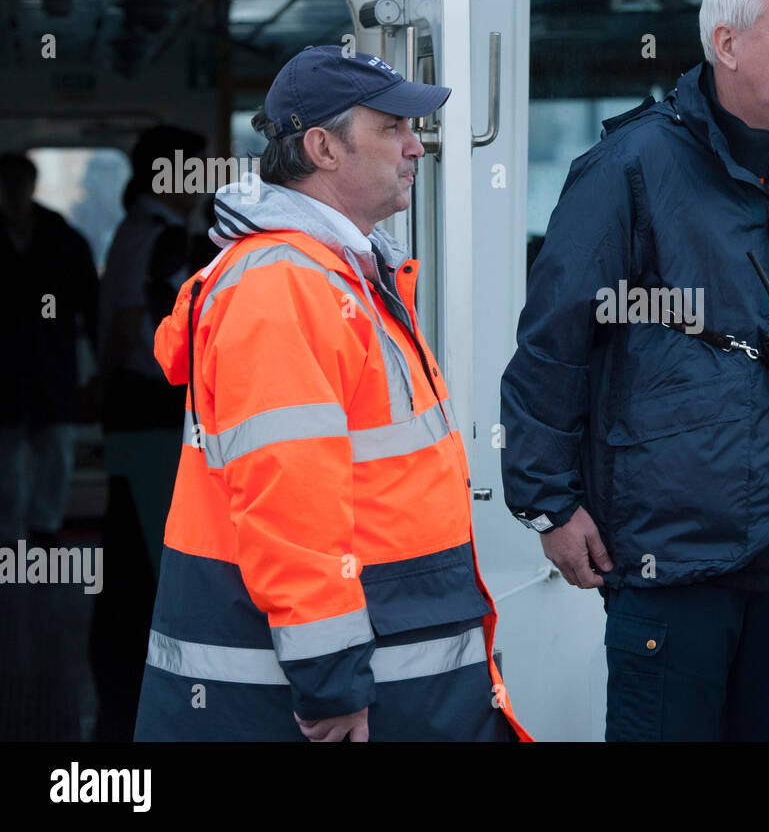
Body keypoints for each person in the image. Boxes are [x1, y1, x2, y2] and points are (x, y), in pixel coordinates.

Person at [500, 0, 769, 741]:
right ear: (727, 44)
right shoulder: (629, 168)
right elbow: (552, 341)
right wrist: (550, 502)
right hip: (674, 556)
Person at [133, 45, 529, 742]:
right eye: (393, 128)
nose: (416, 147)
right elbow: (292, 507)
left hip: (392, 677)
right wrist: (330, 683)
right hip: (320, 698)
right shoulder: (282, 287)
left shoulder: (337, 273)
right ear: (321, 147)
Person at [91, 125, 214, 740]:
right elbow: (126, 321)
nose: (201, 184)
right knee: (146, 542)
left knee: (132, 536)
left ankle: (123, 657)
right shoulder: (160, 238)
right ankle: (138, 670)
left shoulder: (143, 233)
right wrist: (111, 384)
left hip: (132, 403)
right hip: (147, 405)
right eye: (193, 171)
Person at [0, 152, 99, 548]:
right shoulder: (59, 235)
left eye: (20, 182)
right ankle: (9, 534)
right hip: (7, 366)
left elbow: (90, 301)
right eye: (8, 183)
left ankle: (44, 527)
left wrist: (99, 362)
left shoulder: (60, 236)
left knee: (55, 453)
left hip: (50, 362)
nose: (14, 191)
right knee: (6, 461)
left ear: (31, 185)